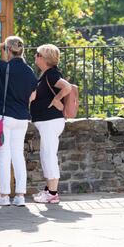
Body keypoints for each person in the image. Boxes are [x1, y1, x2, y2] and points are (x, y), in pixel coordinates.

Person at [0, 36, 37, 207]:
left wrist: (0, 45)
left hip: (4, 117)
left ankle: (4, 195)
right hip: (22, 119)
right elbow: (33, 96)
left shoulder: (4, 67)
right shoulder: (29, 71)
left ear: (8, 50)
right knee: (18, 155)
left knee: (4, 156)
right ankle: (20, 195)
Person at [30, 44, 72, 204]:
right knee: (46, 154)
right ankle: (49, 190)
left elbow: (66, 87)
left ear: (43, 58)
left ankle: (53, 193)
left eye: (37, 54)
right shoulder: (46, 74)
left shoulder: (51, 75)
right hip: (48, 121)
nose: (35, 56)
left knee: (49, 155)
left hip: (50, 121)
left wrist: (56, 99)